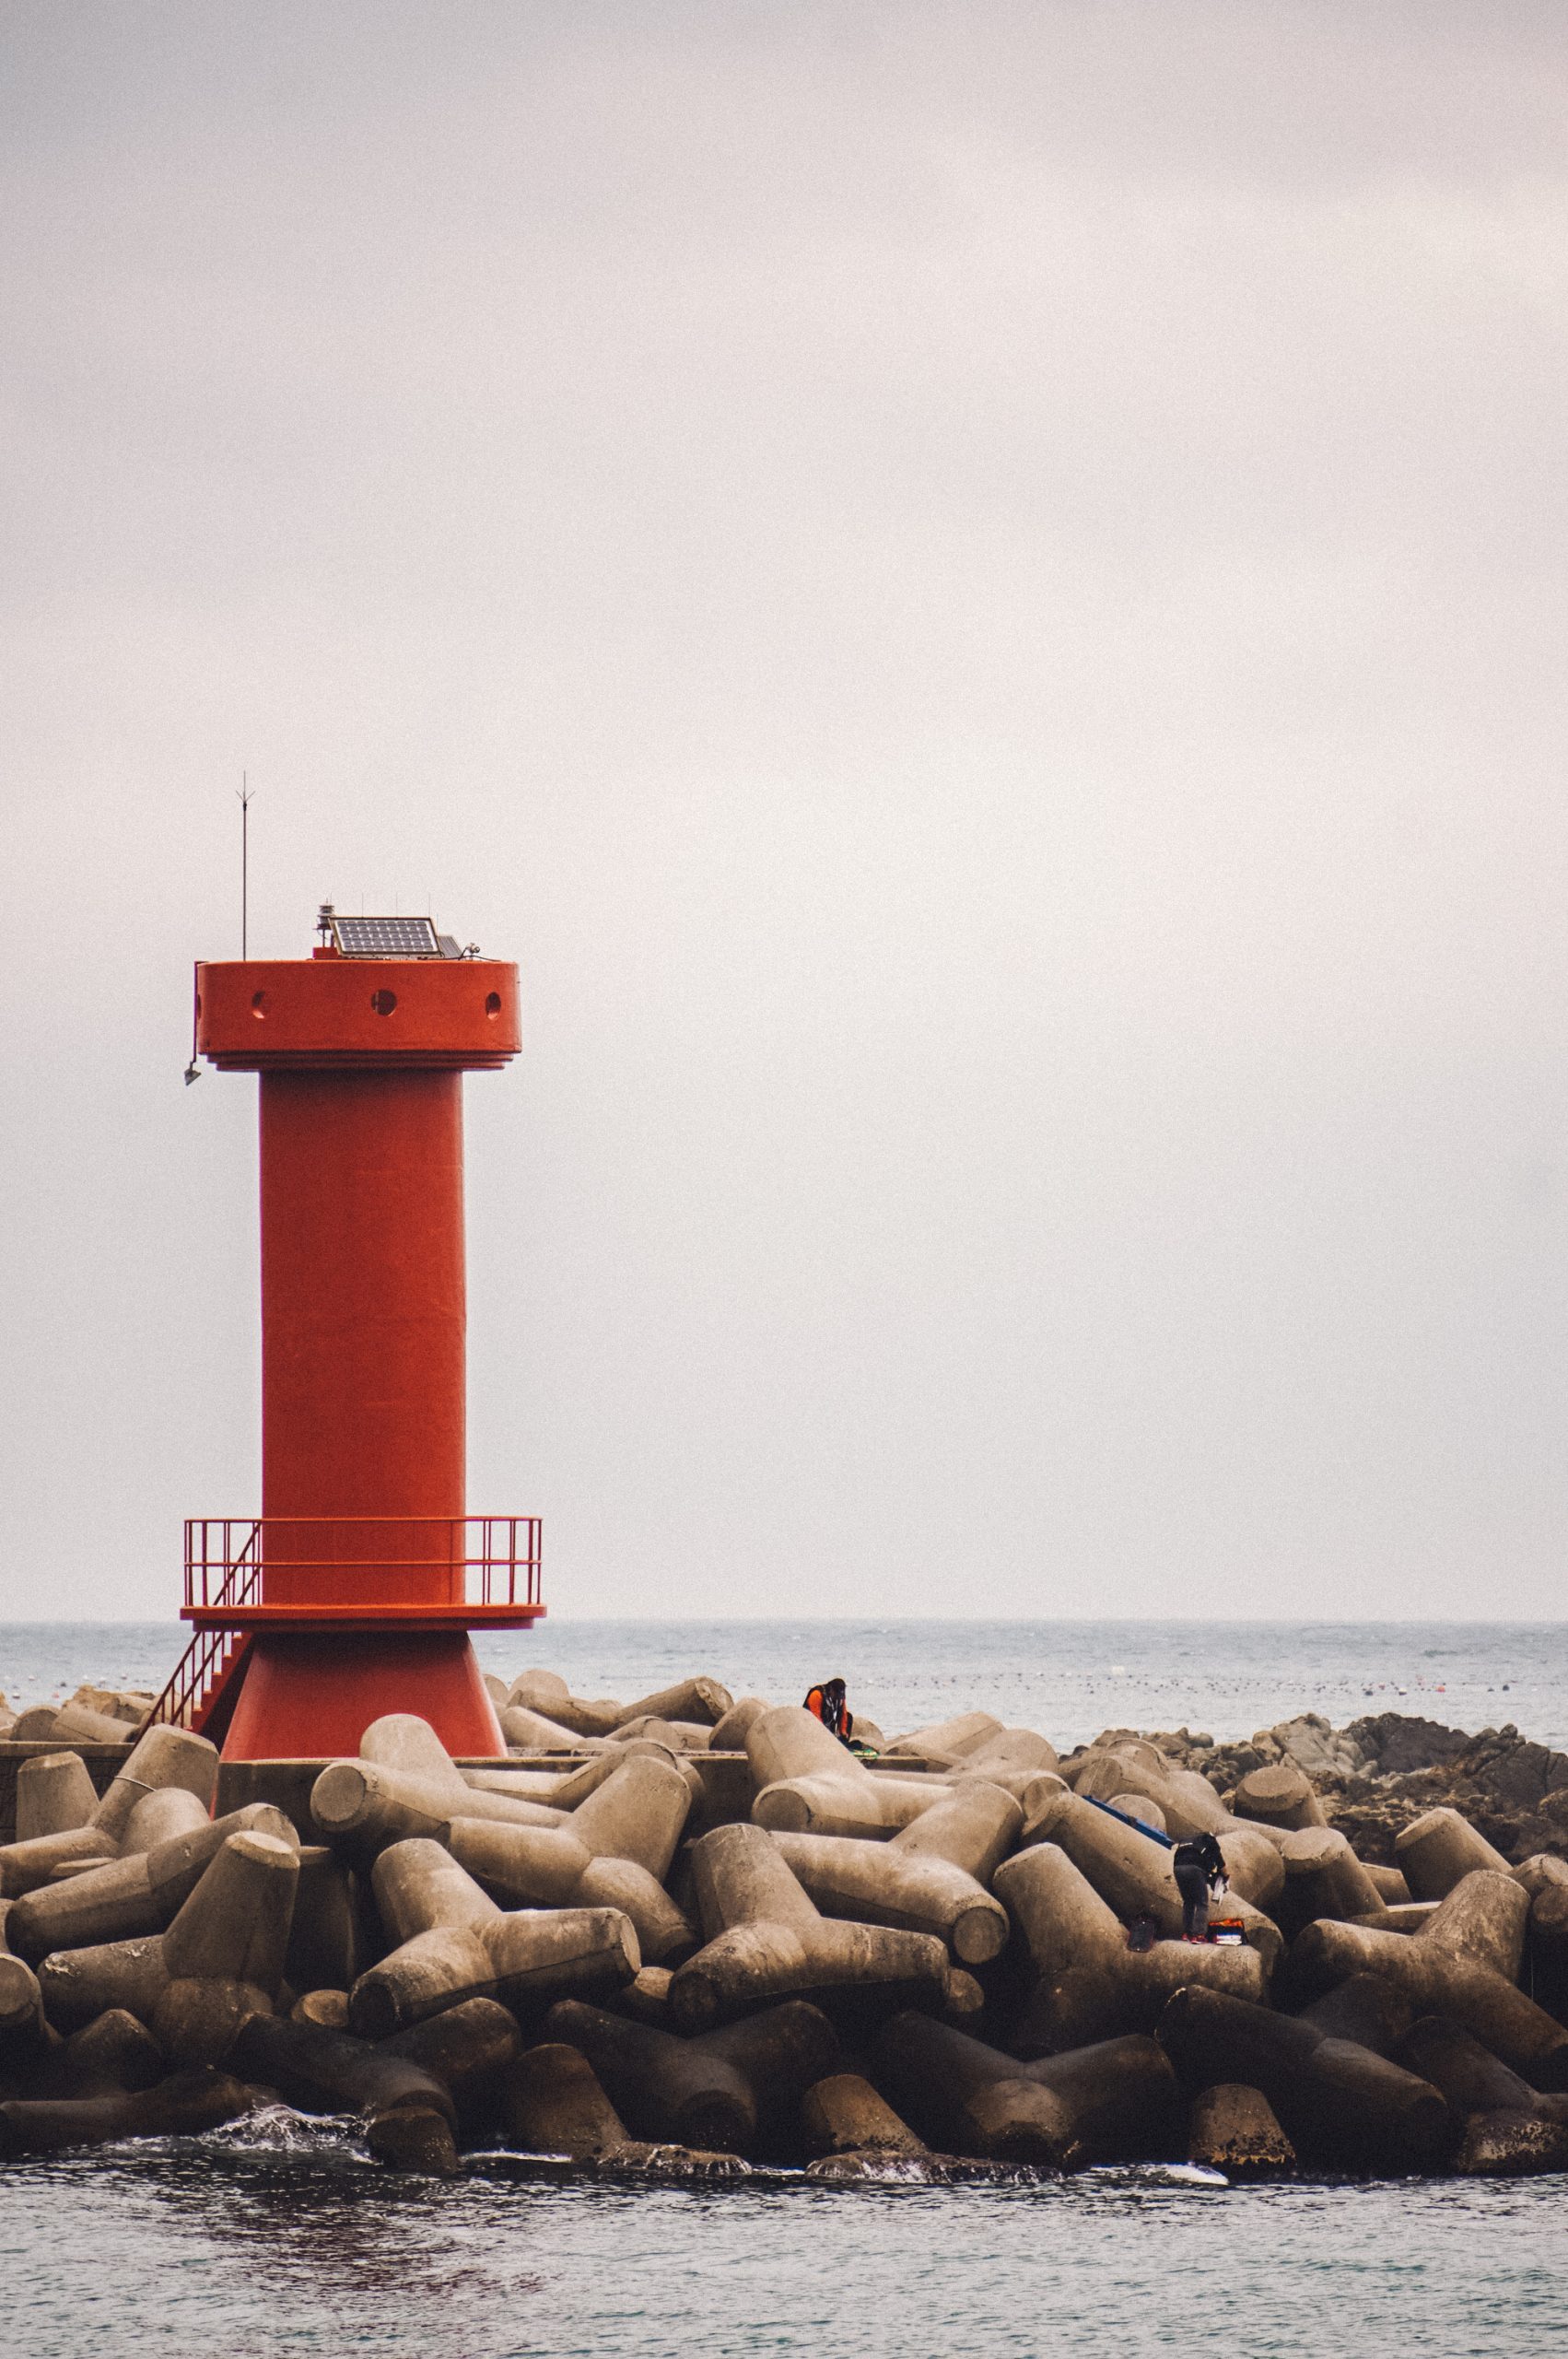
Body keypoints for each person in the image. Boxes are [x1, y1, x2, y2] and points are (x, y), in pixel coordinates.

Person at [1172, 1831, 1227, 1942]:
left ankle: (1187, 1934)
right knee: (1202, 1903)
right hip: (1194, 1868)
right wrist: (1226, 1876)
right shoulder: (1211, 1841)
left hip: (1178, 1868)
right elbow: (1221, 1863)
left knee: (1188, 1902)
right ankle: (1199, 1935)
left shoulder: (1189, 1841)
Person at [803, 1676, 855, 1746]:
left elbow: (843, 1714)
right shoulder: (817, 1694)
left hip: (827, 1723)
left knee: (849, 1717)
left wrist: (843, 1732)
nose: (838, 1697)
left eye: (840, 1695)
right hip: (810, 1724)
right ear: (831, 1689)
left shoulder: (840, 1698)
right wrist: (826, 1736)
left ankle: (843, 1744)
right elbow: (815, 1718)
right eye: (836, 1694)